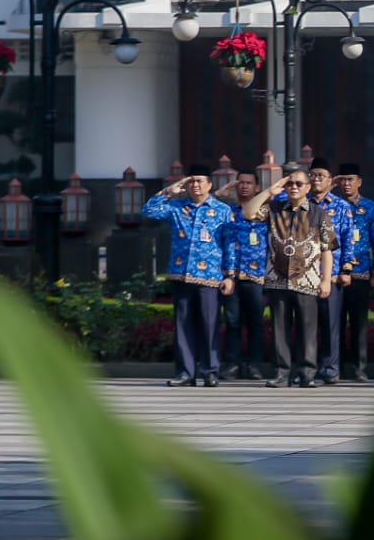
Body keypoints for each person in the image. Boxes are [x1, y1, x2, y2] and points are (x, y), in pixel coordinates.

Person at [143, 164, 235, 387]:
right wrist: (169, 191)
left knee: (209, 323)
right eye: (191, 181)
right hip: (181, 274)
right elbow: (148, 211)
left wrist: (230, 275)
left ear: (209, 185)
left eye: (199, 181)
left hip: (210, 276)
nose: (195, 185)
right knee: (183, 325)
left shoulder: (222, 210)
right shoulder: (176, 208)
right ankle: (185, 372)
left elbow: (230, 244)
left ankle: (210, 371)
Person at [244, 167, 336, 387]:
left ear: (307, 188)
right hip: (278, 280)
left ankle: (307, 374)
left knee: (307, 330)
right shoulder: (274, 208)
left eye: (298, 184)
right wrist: (269, 191)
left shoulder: (318, 213)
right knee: (280, 330)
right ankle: (282, 373)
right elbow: (248, 212)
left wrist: (325, 280)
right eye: (290, 184)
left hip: (307, 281)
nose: (293, 187)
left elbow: (328, 249)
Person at [334, 163, 374, 382]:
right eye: (342, 180)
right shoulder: (331, 206)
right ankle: (334, 366)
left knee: (358, 324)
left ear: (359, 182)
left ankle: (359, 367)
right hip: (334, 274)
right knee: (334, 322)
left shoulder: (371, 207)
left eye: (350, 179)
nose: (346, 184)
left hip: (361, 272)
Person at [305, 158, 353, 384]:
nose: (315, 180)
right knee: (307, 325)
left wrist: (346, 269)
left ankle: (330, 368)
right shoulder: (299, 203)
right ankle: (307, 368)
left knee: (331, 324)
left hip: (331, 275)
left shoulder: (341, 206)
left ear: (330, 181)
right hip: (303, 276)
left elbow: (347, 240)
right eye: (312, 175)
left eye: (320, 176)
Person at [220, 171, 268, 380]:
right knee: (232, 323)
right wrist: (222, 193)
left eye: (249, 183)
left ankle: (254, 365)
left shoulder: (266, 212)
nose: (244, 186)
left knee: (256, 323)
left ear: (257, 187)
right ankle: (232, 364)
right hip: (231, 276)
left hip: (257, 276)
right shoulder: (226, 211)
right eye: (240, 183)